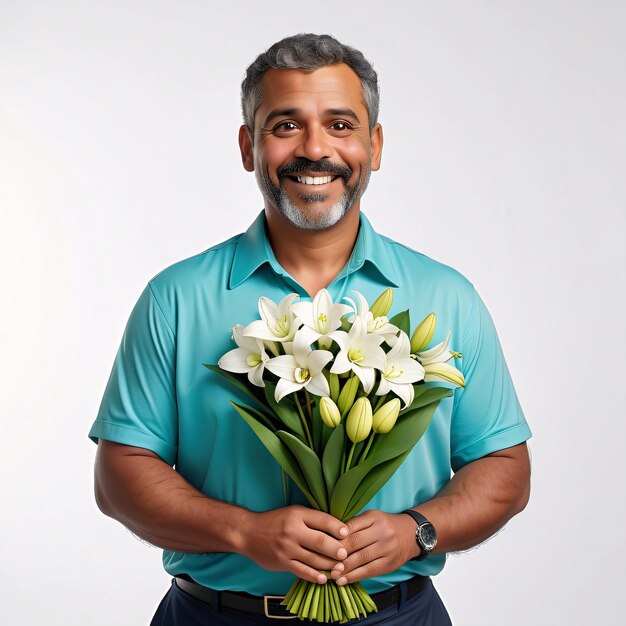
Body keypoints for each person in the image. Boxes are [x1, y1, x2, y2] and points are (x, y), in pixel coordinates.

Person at [90, 33, 532, 625]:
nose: (315, 148)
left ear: (374, 146)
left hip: (397, 617)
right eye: (285, 126)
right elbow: (120, 475)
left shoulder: (446, 297)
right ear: (249, 146)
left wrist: (416, 531)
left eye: (341, 125)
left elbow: (504, 468)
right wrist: (245, 532)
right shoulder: (176, 297)